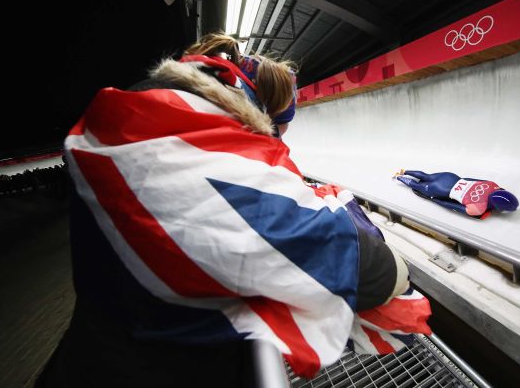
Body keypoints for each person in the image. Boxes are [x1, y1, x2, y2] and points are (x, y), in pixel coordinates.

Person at [36, 33, 424, 387]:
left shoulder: (134, 124)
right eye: (274, 133)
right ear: (258, 113)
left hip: (95, 359)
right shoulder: (195, 158)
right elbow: (372, 270)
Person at [394, 170, 519, 218]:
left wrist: (461, 180)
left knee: (426, 175)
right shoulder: (478, 208)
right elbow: (451, 206)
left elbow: (470, 179)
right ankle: (399, 177)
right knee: (417, 186)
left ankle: (405, 170)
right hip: (440, 190)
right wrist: (434, 199)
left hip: (451, 177)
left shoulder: (492, 184)